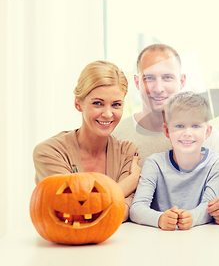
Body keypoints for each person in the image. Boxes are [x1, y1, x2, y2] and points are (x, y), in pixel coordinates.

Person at [112, 44, 219, 224]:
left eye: (167, 77)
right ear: (137, 82)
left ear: (182, 81)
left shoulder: (208, 137)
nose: (159, 88)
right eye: (149, 78)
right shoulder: (118, 135)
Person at [33, 61, 141, 222]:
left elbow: (124, 211)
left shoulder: (127, 152)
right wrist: (130, 182)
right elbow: (73, 211)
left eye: (116, 104)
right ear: (78, 103)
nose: (107, 113)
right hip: (62, 245)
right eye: (98, 103)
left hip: (115, 244)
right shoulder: (49, 152)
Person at [129, 92, 219, 230]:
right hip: (159, 238)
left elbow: (210, 206)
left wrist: (191, 217)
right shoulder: (154, 163)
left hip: (201, 238)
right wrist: (160, 219)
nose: (187, 133)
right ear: (167, 131)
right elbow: (137, 208)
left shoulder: (216, 163)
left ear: (207, 132)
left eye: (196, 126)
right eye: (179, 126)